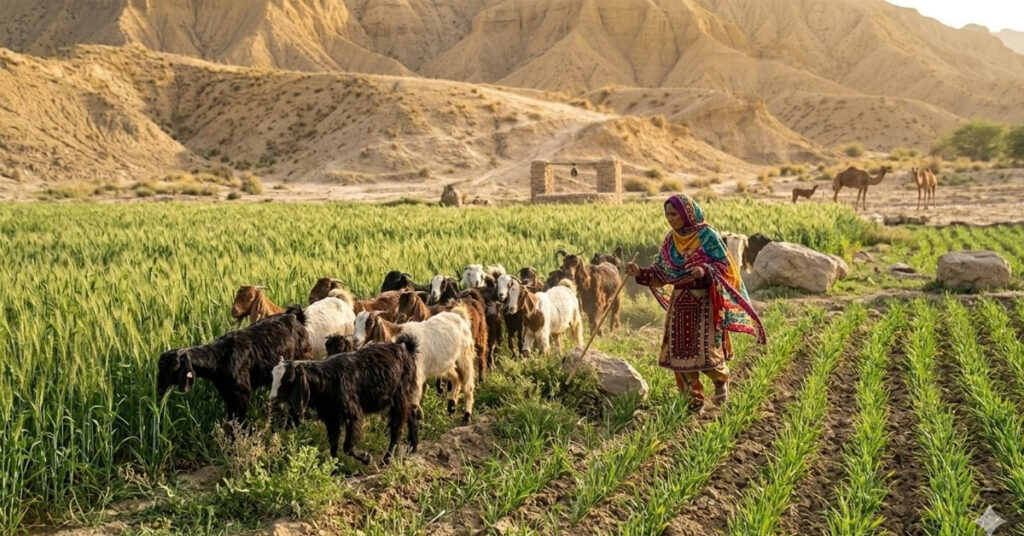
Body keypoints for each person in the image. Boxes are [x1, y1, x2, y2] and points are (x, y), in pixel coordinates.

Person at [626, 194, 765, 412]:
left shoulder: (707, 235)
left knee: (705, 352)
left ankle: (720, 380)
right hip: (679, 303)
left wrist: (703, 270)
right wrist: (640, 272)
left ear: (686, 214)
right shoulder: (671, 240)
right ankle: (693, 400)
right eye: (667, 215)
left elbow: (726, 267)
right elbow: (660, 272)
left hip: (704, 303)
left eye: (674, 214)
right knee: (680, 353)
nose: (670, 219)